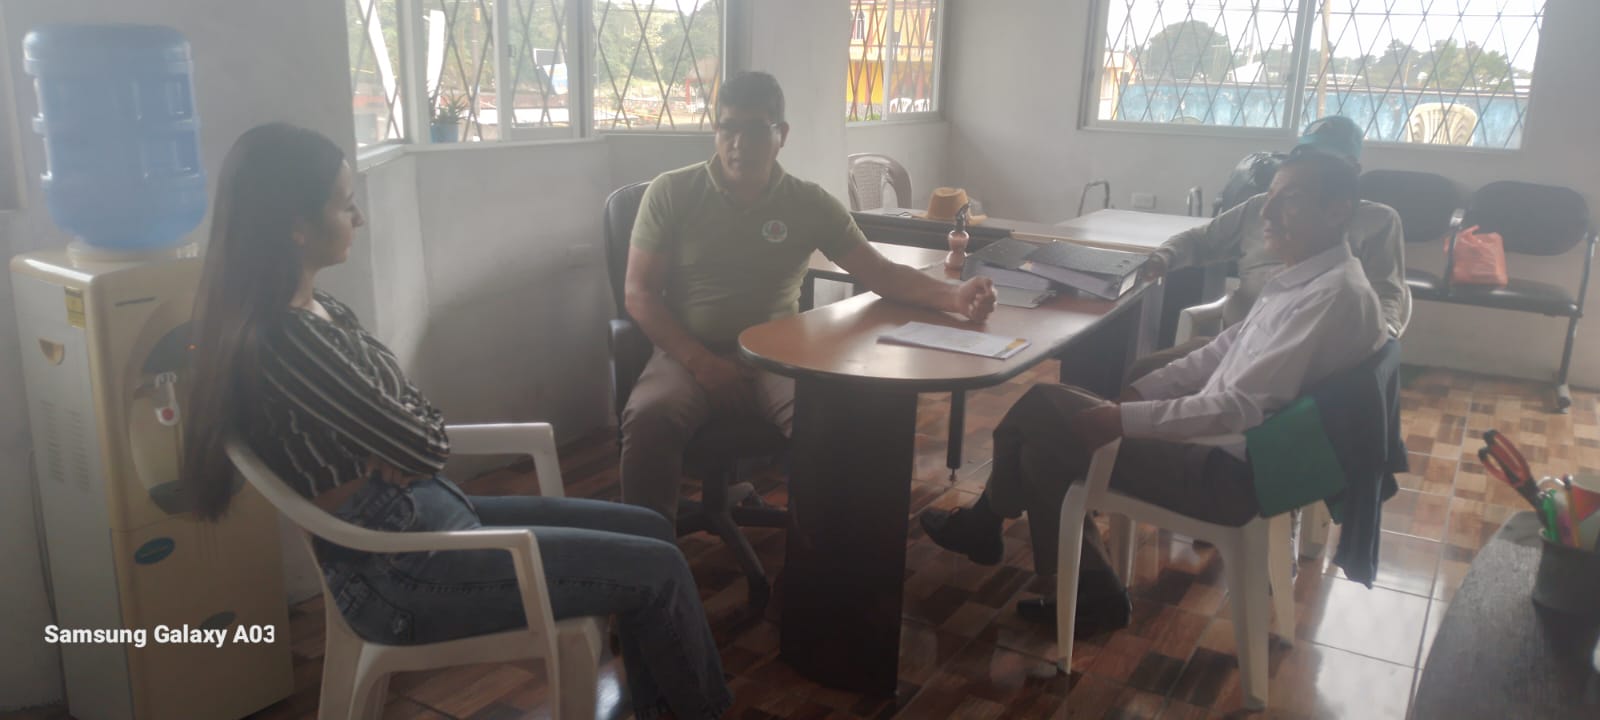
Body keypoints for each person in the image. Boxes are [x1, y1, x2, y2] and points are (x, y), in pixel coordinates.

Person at [180, 124, 730, 720]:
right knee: (659, 568)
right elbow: (425, 443)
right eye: (345, 204)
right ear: (297, 226)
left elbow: (410, 420)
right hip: (402, 573)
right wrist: (404, 440)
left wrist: (401, 439)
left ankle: (659, 708)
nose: (358, 218)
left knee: (651, 528)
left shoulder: (317, 309)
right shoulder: (291, 345)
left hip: (425, 519)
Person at [918, 151, 1386, 633]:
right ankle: (1077, 580)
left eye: (1290, 199)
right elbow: (1225, 347)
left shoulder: (1331, 297)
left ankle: (992, 526)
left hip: (1226, 472)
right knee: (1043, 440)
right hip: (1227, 449)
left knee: (1041, 408)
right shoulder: (1311, 279)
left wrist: (1122, 418)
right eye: (1270, 197)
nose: (1266, 212)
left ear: (1338, 211)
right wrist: (1145, 390)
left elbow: (1235, 410)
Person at [621, 71, 996, 527]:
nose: (738, 143)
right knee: (649, 418)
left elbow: (880, 273)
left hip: (775, 354)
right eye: (727, 128)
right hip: (687, 353)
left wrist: (955, 296)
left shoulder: (808, 203)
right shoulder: (673, 192)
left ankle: (818, 555)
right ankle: (645, 555)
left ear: (781, 134)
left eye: (754, 129)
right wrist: (702, 363)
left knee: (830, 427)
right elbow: (639, 293)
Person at [1140, 116, 1405, 375]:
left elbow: (1387, 295)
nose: (1269, 212)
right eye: (1306, 155)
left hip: (1306, 357)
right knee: (1145, 372)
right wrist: (1164, 257)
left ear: (1352, 170)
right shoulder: (1261, 206)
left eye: (1326, 160)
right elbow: (1202, 240)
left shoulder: (1377, 222)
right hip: (1238, 340)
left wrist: (1376, 347)